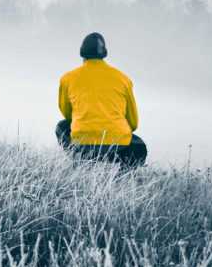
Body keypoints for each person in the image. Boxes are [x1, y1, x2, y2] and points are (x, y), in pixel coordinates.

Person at [56, 32, 147, 170]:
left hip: (83, 146)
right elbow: (133, 124)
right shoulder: (124, 79)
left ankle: (79, 164)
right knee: (139, 146)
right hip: (117, 149)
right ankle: (123, 179)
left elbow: (68, 115)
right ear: (104, 53)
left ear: (82, 53)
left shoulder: (67, 78)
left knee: (61, 127)